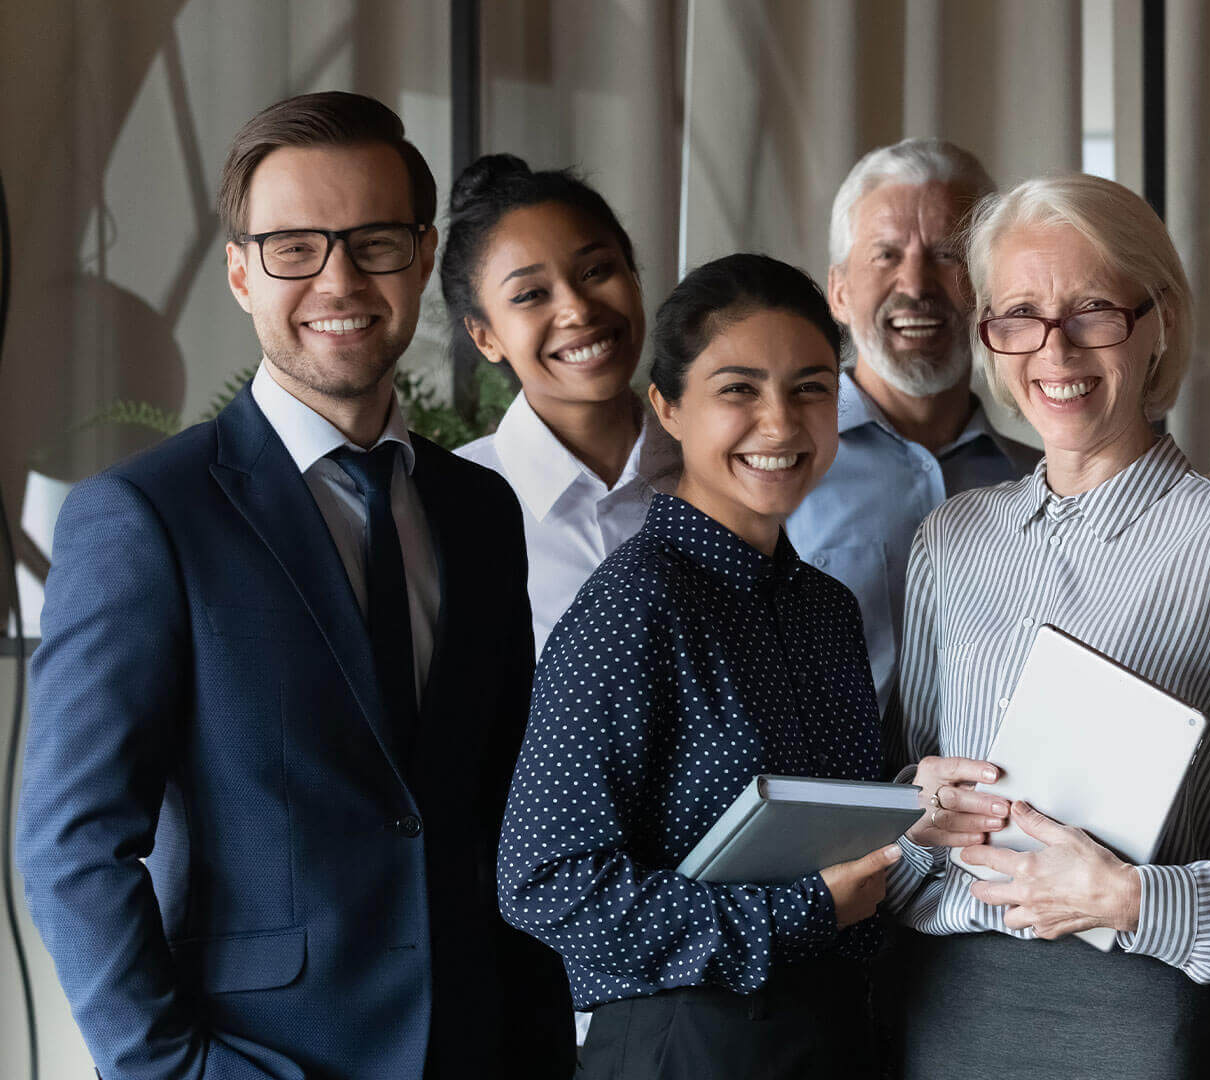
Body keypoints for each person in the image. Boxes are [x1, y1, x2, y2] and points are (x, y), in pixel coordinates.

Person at [14, 92, 573, 1078]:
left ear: (423, 255)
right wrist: (177, 1072)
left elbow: (497, 810)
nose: (339, 278)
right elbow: (70, 846)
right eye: (294, 247)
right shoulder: (148, 518)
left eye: (374, 242)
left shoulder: (481, 513)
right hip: (263, 1059)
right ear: (239, 271)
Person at [879, 173, 1210, 1079]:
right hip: (934, 1004)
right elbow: (900, 797)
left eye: (1093, 311)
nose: (1054, 349)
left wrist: (1136, 899)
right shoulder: (949, 541)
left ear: (1158, 321)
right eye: (1019, 314)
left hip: (1128, 1017)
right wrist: (914, 806)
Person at [497, 253, 900, 1080]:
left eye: (812, 387)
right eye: (739, 389)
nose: (782, 424)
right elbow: (544, 879)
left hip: (836, 1036)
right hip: (683, 1046)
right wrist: (800, 912)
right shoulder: (634, 604)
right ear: (668, 409)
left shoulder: (826, 609)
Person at [788, 138, 1040, 712]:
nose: (916, 284)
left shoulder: (1039, 483)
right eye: (885, 254)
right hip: (828, 801)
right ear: (839, 291)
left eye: (948, 254)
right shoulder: (776, 470)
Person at [446, 154, 678, 655]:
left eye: (596, 270)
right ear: (485, 336)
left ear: (634, 276)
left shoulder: (720, 466)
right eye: (531, 295)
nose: (576, 309)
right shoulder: (451, 509)